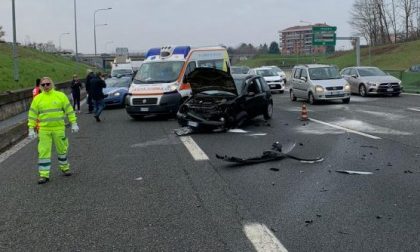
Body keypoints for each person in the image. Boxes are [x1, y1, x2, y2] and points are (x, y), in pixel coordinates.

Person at [27, 77, 79, 184]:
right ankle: (44, 175)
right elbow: (32, 115)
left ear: (52, 84)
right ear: (40, 86)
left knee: (62, 149)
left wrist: (74, 123)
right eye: (43, 84)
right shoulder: (37, 99)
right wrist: (31, 129)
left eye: (48, 84)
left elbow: (69, 110)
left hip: (59, 128)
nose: (46, 86)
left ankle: (65, 168)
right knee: (43, 152)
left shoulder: (60, 96)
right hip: (44, 130)